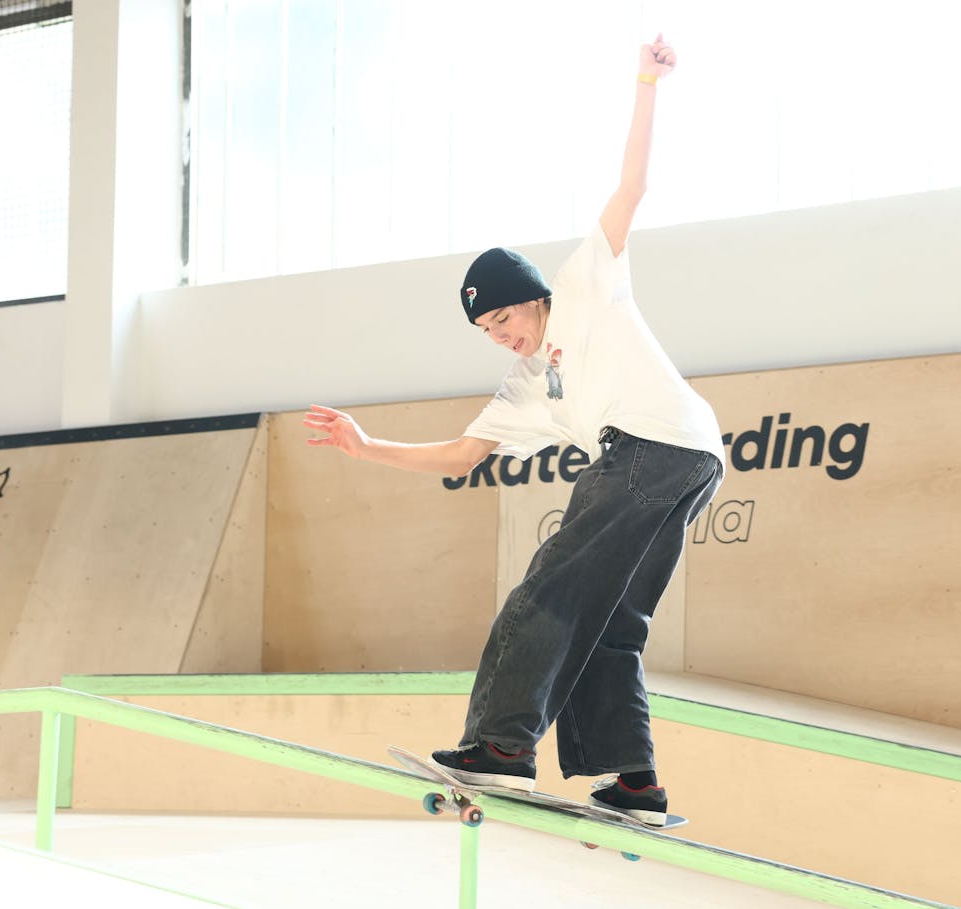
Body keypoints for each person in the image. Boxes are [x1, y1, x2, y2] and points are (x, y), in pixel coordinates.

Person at [303, 34, 722, 827]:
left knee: (544, 593)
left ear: (531, 298)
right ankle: (635, 781)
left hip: (652, 447)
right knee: (609, 621)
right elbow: (463, 454)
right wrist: (367, 447)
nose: (503, 336)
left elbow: (631, 185)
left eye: (505, 318)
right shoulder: (526, 387)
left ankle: (500, 746)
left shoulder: (584, 283)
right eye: (488, 332)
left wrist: (646, 81)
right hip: (694, 459)